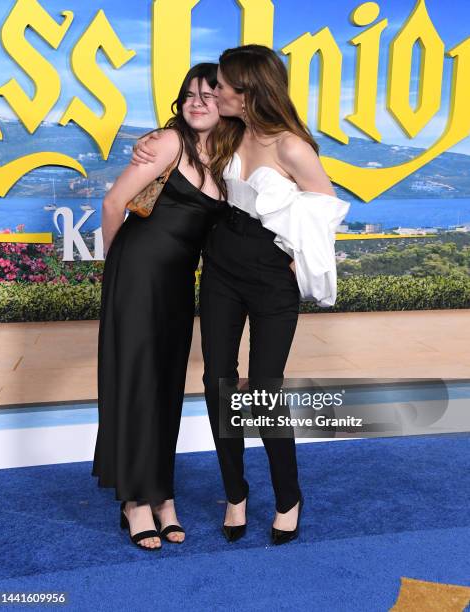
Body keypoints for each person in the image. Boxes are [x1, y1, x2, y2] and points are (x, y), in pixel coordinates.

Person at [133, 45, 350, 545]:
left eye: (225, 86)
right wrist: (145, 146)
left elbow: (326, 207)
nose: (216, 92)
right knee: (218, 381)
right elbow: (176, 147)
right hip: (221, 269)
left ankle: (288, 498)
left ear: (250, 90)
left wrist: (298, 254)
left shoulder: (292, 146)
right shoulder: (228, 134)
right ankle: (236, 492)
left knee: (266, 386)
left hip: (270, 275)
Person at [91, 63, 226, 550]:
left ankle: (162, 494)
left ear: (229, 101)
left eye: (208, 95)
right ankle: (134, 502)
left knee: (167, 382)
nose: (197, 102)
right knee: (137, 381)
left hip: (175, 282)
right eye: (190, 93)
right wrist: (116, 271)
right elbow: (113, 204)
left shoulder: (228, 154)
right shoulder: (169, 142)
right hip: (136, 273)